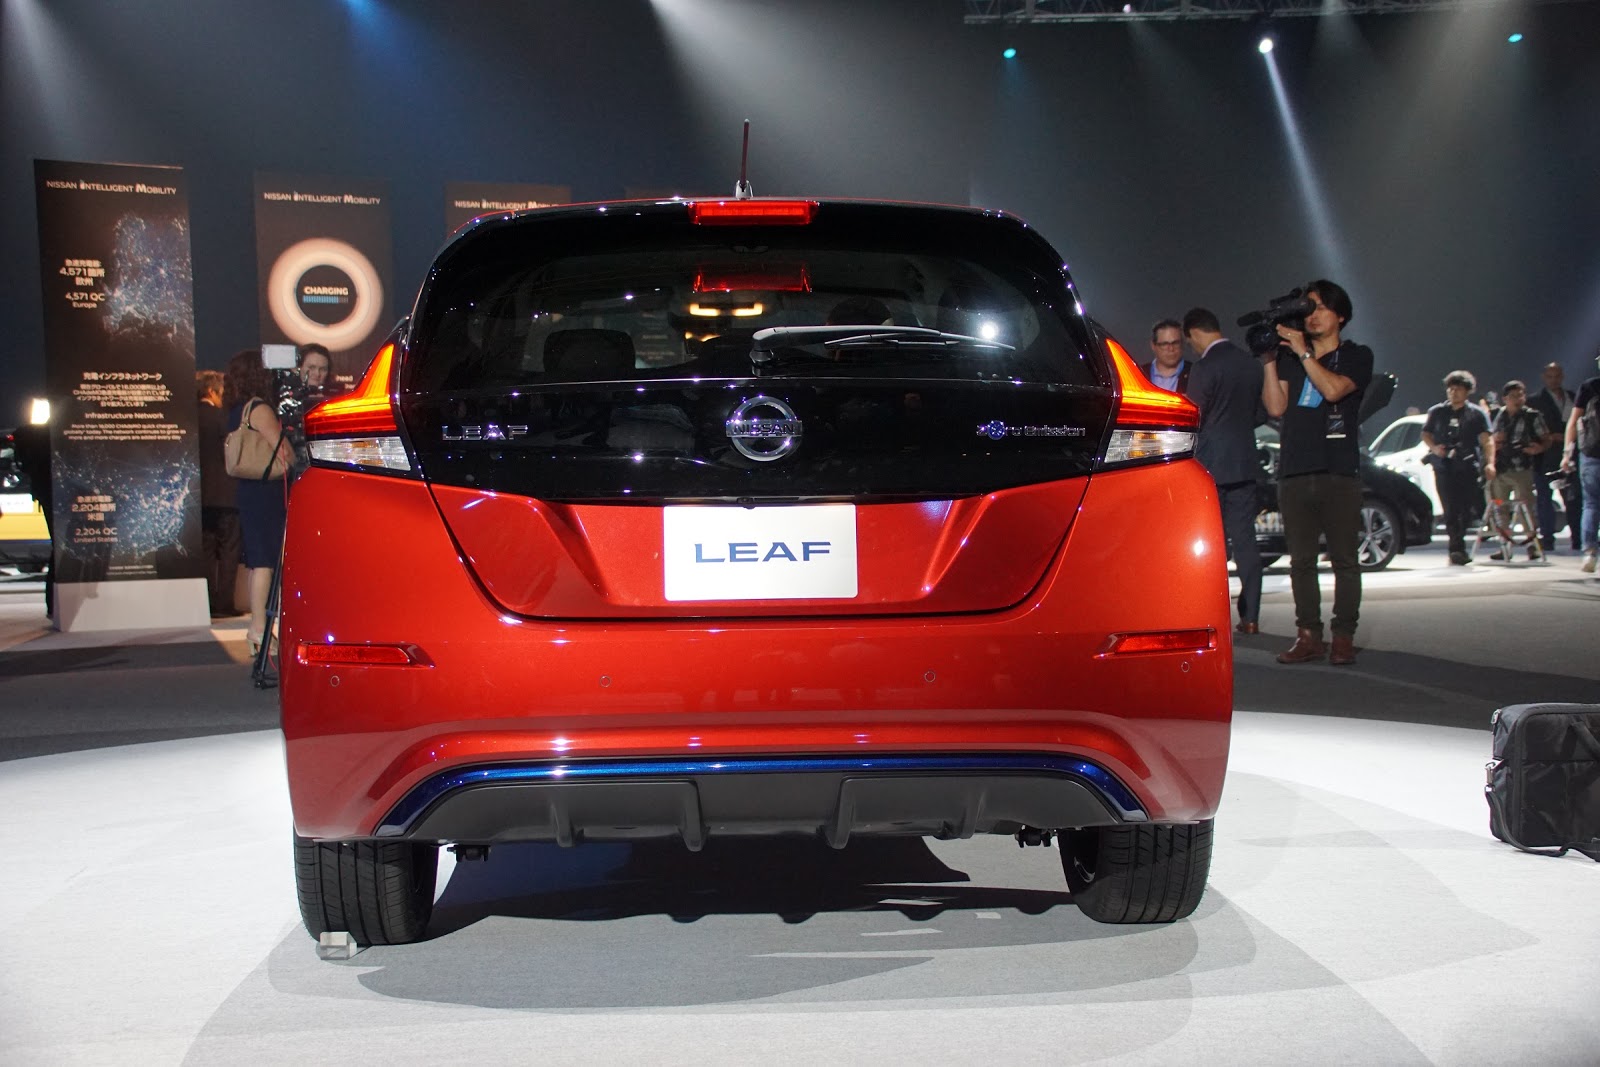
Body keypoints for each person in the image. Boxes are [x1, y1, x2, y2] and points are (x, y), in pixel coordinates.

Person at [1260, 279, 1372, 667]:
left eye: (1321, 307)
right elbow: (1276, 407)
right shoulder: (1290, 358)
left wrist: (1305, 352)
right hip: (1294, 469)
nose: (1312, 315)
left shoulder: (1356, 355)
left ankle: (1343, 636)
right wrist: (1269, 359)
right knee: (1301, 562)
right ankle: (1308, 635)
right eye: (1307, 308)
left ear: (1341, 315)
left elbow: (1334, 391)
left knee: (1344, 560)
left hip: (1338, 470)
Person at [1183, 307, 1265, 633]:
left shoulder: (1205, 368)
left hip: (1210, 467)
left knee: (1212, 545)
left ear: (1194, 333)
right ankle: (1251, 616)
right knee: (1246, 541)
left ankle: (1213, 613)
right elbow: (1261, 415)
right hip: (1245, 463)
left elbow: (1194, 413)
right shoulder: (1251, 363)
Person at [222, 349, 288, 656]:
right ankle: (260, 628)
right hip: (266, 490)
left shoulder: (237, 408)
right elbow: (282, 451)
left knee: (258, 561)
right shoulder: (259, 409)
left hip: (250, 490)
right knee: (265, 562)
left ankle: (257, 629)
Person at [1422, 371, 1493, 566]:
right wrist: (1435, 448)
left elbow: (1487, 440)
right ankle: (1456, 548)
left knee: (1465, 509)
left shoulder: (1476, 413)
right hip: (1443, 467)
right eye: (1450, 389)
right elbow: (1426, 433)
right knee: (1450, 509)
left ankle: (1458, 544)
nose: (1453, 393)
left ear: (1467, 391)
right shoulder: (1437, 411)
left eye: (1458, 389)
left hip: (1468, 465)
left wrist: (1490, 462)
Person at [1484, 380, 1551, 560]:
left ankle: (1532, 545)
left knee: (1526, 507)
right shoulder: (1496, 415)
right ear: (1505, 398)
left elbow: (1546, 438)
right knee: (1500, 507)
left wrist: (1538, 448)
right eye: (1513, 396)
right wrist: (1495, 442)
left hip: (1522, 468)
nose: (1518, 399)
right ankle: (1504, 545)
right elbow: (1486, 439)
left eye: (1520, 395)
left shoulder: (1532, 416)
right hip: (1501, 469)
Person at [195, 370, 242, 616]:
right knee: (228, 550)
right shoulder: (224, 419)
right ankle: (224, 603)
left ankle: (206, 602)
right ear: (212, 391)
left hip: (200, 495)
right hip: (228, 494)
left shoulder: (190, 418)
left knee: (205, 549)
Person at [1530, 361, 1581, 552]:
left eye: (1557, 376)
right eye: (1550, 376)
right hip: (1544, 456)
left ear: (1562, 377)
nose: (1554, 380)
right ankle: (1547, 539)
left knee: (1574, 499)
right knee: (1544, 499)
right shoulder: (1534, 401)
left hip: (1570, 454)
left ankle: (1578, 538)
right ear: (1544, 378)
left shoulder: (1573, 397)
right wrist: (1549, 437)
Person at [1559, 348, 1600, 573]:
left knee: (1592, 504)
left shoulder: (1589, 386)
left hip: (1592, 454)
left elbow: (1573, 421)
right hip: (1591, 455)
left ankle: (1590, 552)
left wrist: (1567, 453)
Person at [1139, 319, 1191, 394]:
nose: (1171, 349)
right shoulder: (1139, 374)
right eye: (1165, 344)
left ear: (1182, 344)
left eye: (1175, 343)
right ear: (1153, 345)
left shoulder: (1195, 373)